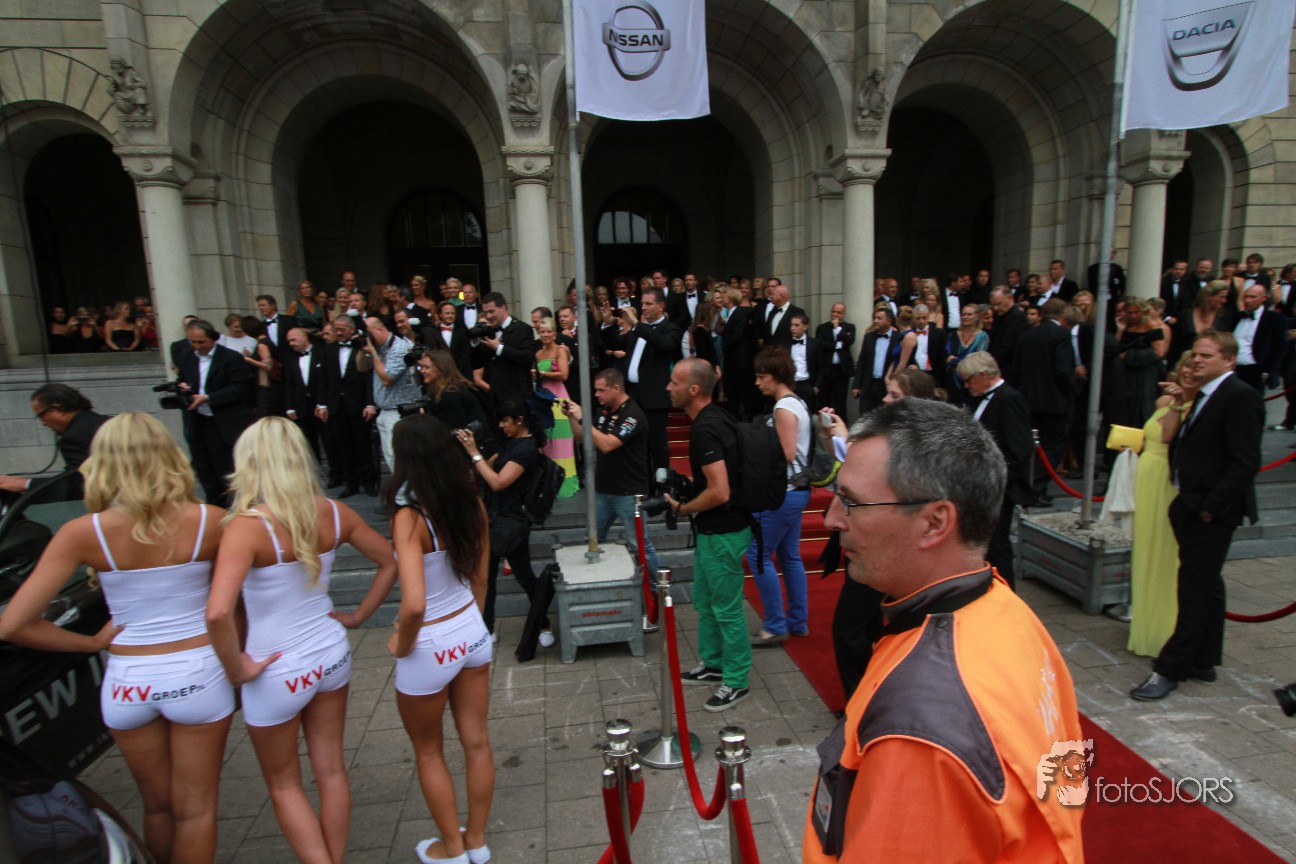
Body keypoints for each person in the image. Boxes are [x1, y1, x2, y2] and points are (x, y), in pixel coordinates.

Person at [804, 398, 1084, 863]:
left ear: (935, 521)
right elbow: (1068, 778)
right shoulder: (1004, 608)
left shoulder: (919, 724)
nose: (832, 519)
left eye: (851, 502)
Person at [0, 413, 233, 864]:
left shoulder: (82, 533)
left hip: (128, 680)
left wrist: (90, 643)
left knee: (157, 807)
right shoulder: (211, 521)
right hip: (197, 673)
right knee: (196, 810)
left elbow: (13, 625)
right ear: (169, 456)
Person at [206, 417, 397, 862]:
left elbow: (217, 611)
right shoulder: (333, 512)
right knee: (330, 770)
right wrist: (358, 616)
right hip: (330, 653)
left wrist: (237, 670)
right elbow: (390, 560)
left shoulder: (246, 527)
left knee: (284, 784)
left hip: (274, 666)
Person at [384, 416, 494, 864]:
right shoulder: (472, 504)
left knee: (429, 750)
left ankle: (450, 847)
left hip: (429, 643)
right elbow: (481, 579)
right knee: (477, 741)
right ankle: (476, 840)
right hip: (470, 630)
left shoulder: (409, 518)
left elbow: (413, 604)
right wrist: (473, 627)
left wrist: (400, 644)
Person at [1131, 331, 1264, 701]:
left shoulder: (1239, 396)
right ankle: (1204, 660)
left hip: (1210, 511)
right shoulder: (1203, 395)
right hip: (1189, 503)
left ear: (1229, 360)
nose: (1197, 361)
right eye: (1195, 355)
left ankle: (1169, 669)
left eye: (1207, 355)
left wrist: (1208, 507)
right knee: (1207, 584)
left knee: (1193, 589)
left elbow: (1245, 462)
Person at [664, 358, 753, 712]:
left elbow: (720, 491)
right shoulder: (716, 418)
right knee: (705, 600)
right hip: (714, 530)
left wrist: (683, 508)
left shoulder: (705, 428)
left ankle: (737, 680)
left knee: (727, 609)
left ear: (694, 389)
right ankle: (714, 663)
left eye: (674, 383)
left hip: (724, 531)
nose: (668, 388)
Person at [457, 399, 553, 649]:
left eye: (504, 420)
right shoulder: (510, 444)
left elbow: (498, 482)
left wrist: (474, 453)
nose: (501, 425)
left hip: (512, 522)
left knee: (524, 576)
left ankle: (542, 624)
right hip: (493, 518)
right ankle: (488, 629)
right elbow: (486, 469)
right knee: (488, 577)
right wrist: (476, 452)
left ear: (519, 420)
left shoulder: (527, 449)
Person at [562, 369, 663, 599]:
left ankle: (657, 590)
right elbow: (582, 437)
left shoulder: (632, 415)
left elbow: (607, 444)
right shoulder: (605, 412)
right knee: (592, 539)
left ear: (616, 389)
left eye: (601, 390)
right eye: (595, 390)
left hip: (629, 492)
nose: (597, 394)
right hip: (603, 490)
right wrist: (572, 417)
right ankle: (599, 586)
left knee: (639, 544)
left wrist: (583, 418)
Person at [1128, 355, 1198, 658]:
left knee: (1166, 553)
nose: (1188, 373)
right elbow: (1151, 436)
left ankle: (1167, 628)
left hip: (1169, 482)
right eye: (1185, 367)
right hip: (1148, 477)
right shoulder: (1163, 402)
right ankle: (1146, 624)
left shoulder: (1197, 407)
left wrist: (1181, 403)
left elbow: (1169, 437)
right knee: (1146, 548)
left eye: (1195, 368)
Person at [746, 347, 812, 646]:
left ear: (776, 376)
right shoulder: (797, 403)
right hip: (796, 491)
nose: (758, 382)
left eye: (762, 377)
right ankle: (797, 621)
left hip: (783, 492)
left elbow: (785, 453)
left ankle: (775, 624)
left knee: (758, 555)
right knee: (789, 557)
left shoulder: (784, 407)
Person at [957, 352, 1032, 589]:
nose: (966, 385)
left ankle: (1005, 593)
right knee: (985, 545)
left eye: (968, 379)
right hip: (981, 485)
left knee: (997, 546)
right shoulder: (983, 399)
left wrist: (994, 483)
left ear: (984, 375)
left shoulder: (1009, 399)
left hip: (997, 488)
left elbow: (1019, 450)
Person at [603, 287, 682, 479]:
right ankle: (640, 480)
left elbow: (664, 344)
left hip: (654, 397)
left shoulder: (670, 328)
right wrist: (608, 324)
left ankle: (661, 483)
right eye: (642, 304)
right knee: (634, 440)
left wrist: (637, 324)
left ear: (661, 306)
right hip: (632, 394)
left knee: (657, 443)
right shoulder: (638, 330)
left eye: (648, 304)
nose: (644, 307)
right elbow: (616, 343)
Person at [176, 319, 256, 507]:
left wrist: (209, 398)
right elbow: (182, 379)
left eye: (201, 342)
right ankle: (214, 510)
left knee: (228, 473)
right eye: (192, 342)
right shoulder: (186, 357)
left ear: (212, 338)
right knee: (205, 471)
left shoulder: (231, 358)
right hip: (197, 422)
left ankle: (237, 509)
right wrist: (182, 387)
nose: (197, 347)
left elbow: (239, 388)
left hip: (224, 423)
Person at [0, 384, 109, 495]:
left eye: (41, 416)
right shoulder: (108, 423)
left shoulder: (73, 437)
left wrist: (26, 484)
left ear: (57, 409)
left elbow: (78, 485)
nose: (43, 423)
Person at [357, 315, 420, 476]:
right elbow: (361, 367)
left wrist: (373, 353)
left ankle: (408, 490)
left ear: (380, 329)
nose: (368, 337)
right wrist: (362, 348)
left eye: (369, 333)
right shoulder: (377, 348)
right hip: (384, 411)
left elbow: (387, 379)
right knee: (390, 457)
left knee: (398, 457)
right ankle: (402, 490)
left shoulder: (400, 348)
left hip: (399, 412)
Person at [534, 317, 579, 498]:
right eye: (542, 332)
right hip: (542, 399)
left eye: (548, 331)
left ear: (554, 333)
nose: (545, 334)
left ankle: (565, 483)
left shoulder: (561, 350)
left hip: (558, 398)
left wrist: (542, 373)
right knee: (546, 441)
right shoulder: (538, 353)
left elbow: (564, 374)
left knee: (561, 442)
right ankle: (548, 484)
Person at [474, 293, 536, 407]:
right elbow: (477, 363)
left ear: (503, 308)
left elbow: (528, 357)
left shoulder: (522, 328)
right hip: (495, 399)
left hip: (517, 396)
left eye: (491, 311)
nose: (488, 316)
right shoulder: (489, 332)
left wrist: (499, 348)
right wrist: (475, 342)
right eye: (485, 312)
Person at [412, 348, 491, 431]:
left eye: (427, 367)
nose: (422, 371)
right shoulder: (447, 389)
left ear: (441, 369)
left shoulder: (451, 394)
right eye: (421, 367)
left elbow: (457, 429)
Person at [238, 316, 285, 419]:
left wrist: (249, 360)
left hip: (268, 387)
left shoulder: (261, 344)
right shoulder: (266, 340)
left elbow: (267, 365)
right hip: (272, 385)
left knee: (267, 415)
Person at [851, 307, 895, 415]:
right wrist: (856, 385)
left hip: (886, 386)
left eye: (879, 318)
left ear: (888, 321)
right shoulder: (869, 337)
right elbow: (861, 362)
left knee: (885, 417)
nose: (875, 321)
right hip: (869, 384)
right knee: (865, 416)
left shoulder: (898, 338)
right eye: (875, 318)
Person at [815, 302, 855, 416]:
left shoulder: (849, 327)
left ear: (843, 314)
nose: (835, 315)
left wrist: (837, 328)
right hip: (826, 370)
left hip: (842, 371)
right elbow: (820, 344)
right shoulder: (822, 328)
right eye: (833, 312)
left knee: (840, 402)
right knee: (824, 401)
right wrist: (838, 345)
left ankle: (841, 424)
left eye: (838, 312)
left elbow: (849, 340)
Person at [945, 303, 989, 403]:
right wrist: (955, 361)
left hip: (972, 380)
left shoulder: (983, 337)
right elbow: (948, 358)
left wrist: (956, 361)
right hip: (952, 380)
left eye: (969, 314)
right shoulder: (952, 335)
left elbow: (978, 360)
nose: (966, 317)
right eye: (963, 314)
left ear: (976, 316)